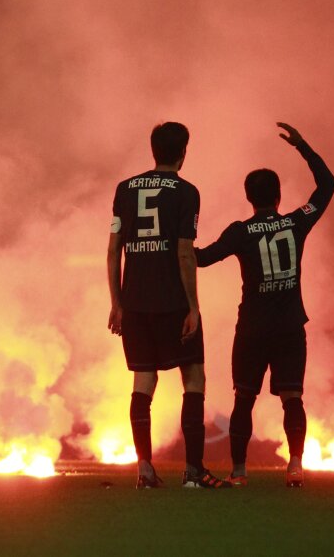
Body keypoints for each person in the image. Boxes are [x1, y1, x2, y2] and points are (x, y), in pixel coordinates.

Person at [194, 123, 334, 488]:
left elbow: (203, 259)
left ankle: (239, 472)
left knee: (244, 399)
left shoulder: (240, 231)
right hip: (290, 327)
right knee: (292, 398)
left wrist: (173, 244)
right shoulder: (295, 222)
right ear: (278, 195)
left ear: (249, 198)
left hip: (253, 329)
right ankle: (296, 466)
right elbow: (328, 186)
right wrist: (303, 146)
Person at [108, 122, 231, 489]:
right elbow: (183, 251)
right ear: (184, 152)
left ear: (153, 149)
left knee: (143, 381)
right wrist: (192, 306)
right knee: (193, 378)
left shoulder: (125, 189)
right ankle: (193, 472)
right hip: (173, 302)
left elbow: (115, 248)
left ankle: (144, 469)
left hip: (135, 303)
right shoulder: (187, 192)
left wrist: (117, 302)